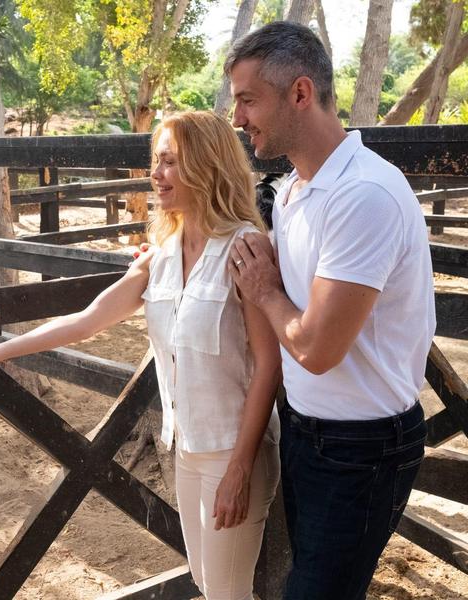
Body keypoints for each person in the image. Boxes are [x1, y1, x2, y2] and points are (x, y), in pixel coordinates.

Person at [0, 111, 282, 600]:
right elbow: (86, 321)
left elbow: (268, 366)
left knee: (227, 591)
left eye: (170, 162)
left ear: (208, 165)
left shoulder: (246, 249)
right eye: (156, 161)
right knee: (205, 580)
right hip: (187, 449)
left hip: (234, 450)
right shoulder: (161, 255)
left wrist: (240, 466)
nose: (155, 175)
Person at [224, 21, 435, 600]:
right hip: (307, 432)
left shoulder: (363, 195)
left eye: (247, 100)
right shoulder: (294, 192)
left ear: (299, 93)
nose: (238, 118)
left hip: (361, 450)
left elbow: (316, 349)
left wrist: (265, 289)